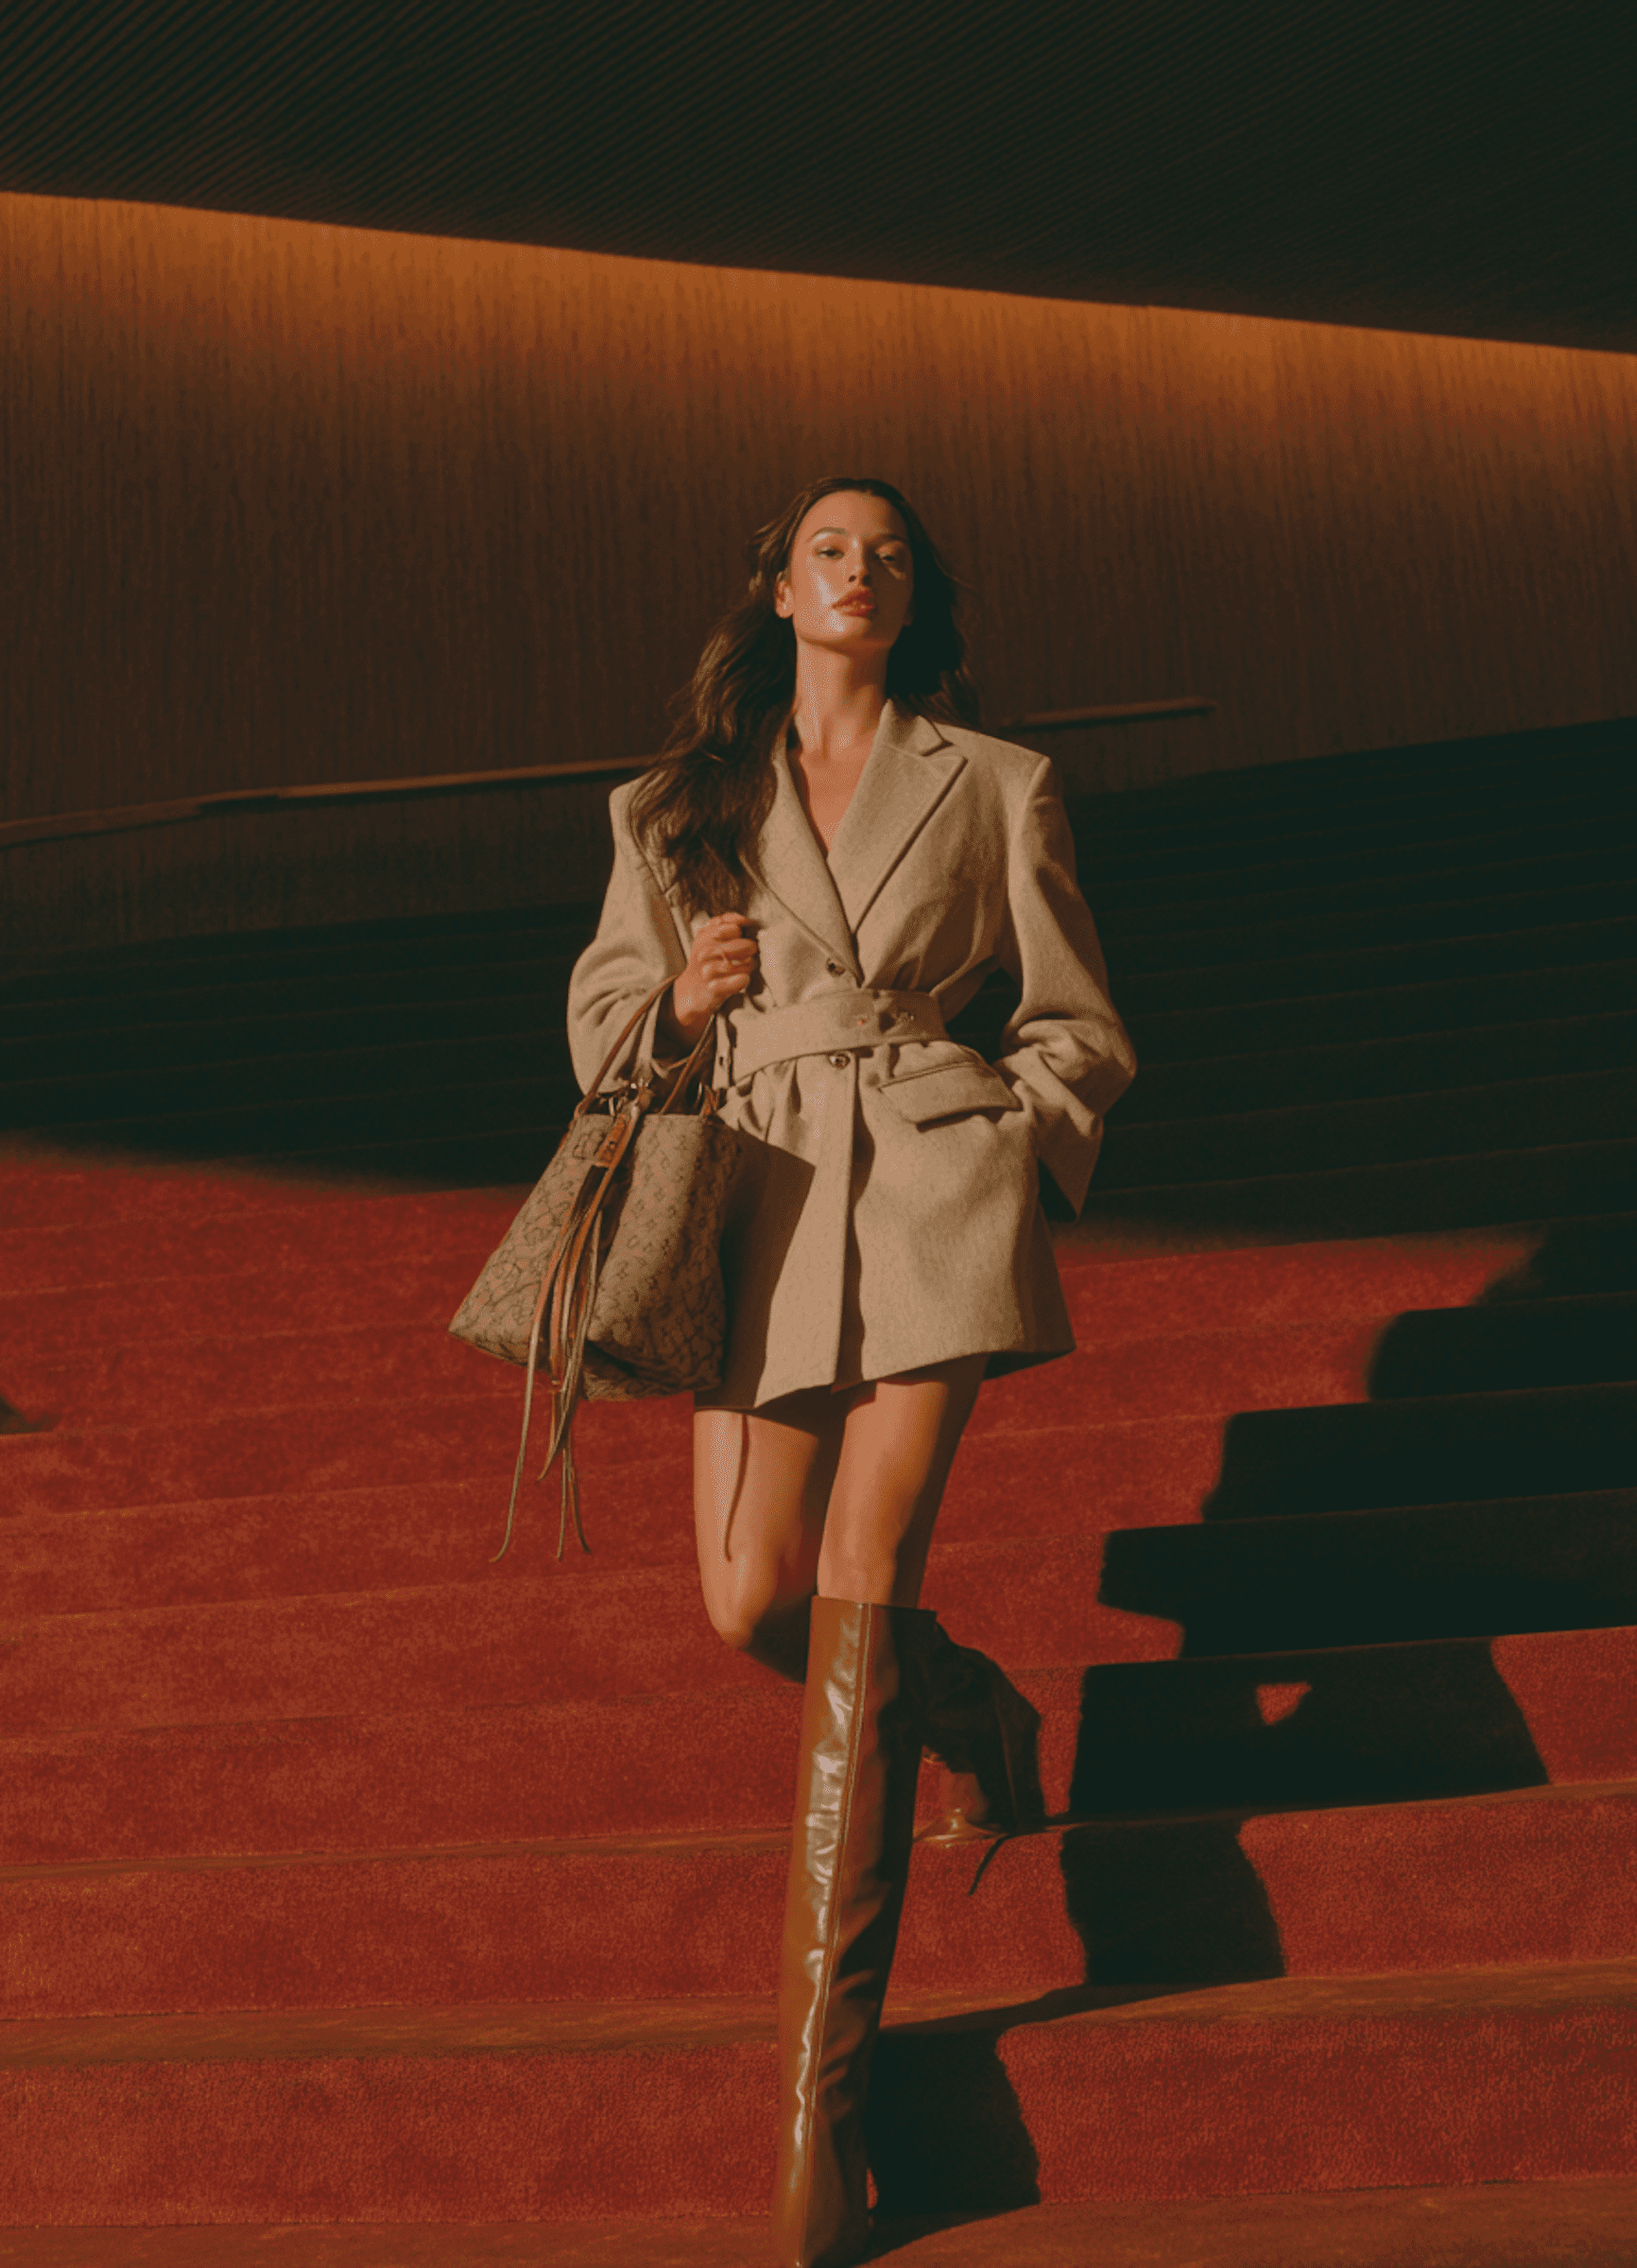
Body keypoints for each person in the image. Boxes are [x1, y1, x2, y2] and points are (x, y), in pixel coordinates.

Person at [566, 475, 1134, 2268]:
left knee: (860, 1583)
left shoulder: (999, 783)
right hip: (756, 1194)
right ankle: (975, 1711)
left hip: (927, 1187)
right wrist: (677, 999)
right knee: (749, 1603)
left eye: (891, 552)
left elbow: (1077, 1021)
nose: (862, 568)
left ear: (915, 599)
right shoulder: (675, 808)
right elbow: (597, 1013)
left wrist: (1003, 1131)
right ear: (781, 587)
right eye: (833, 545)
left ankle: (821, 2119)